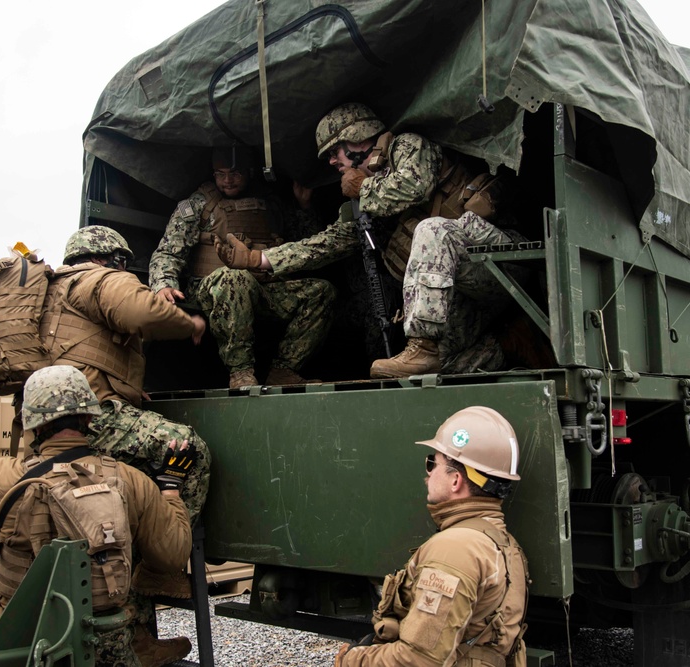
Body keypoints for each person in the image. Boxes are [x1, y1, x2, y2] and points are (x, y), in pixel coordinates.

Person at [216, 103, 525, 378]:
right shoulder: (365, 199)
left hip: (498, 263)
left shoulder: (407, 147)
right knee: (439, 369)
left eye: (334, 152)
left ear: (358, 138)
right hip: (460, 292)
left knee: (433, 230)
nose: (332, 163)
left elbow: (414, 187)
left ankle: (422, 345)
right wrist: (259, 259)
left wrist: (363, 188)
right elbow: (329, 242)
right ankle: (509, 344)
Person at [0, 365, 194, 667]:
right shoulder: (131, 481)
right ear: (89, 417)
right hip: (105, 645)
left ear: (31, 422)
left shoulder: (7, 478)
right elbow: (173, 555)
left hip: (21, 639)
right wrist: (171, 489)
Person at [334, 406, 528, 667]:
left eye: (432, 463)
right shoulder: (505, 544)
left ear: (456, 480)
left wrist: (352, 660)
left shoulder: (456, 549)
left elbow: (419, 660)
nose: (427, 474)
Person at [149, 146, 336, 389]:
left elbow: (306, 245)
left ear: (250, 172)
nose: (227, 180)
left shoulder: (271, 204)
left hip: (261, 288)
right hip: (211, 289)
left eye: (235, 174)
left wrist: (304, 207)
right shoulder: (198, 205)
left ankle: (284, 370)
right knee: (234, 277)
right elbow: (168, 251)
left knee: (322, 292)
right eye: (220, 174)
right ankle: (241, 373)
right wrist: (164, 284)